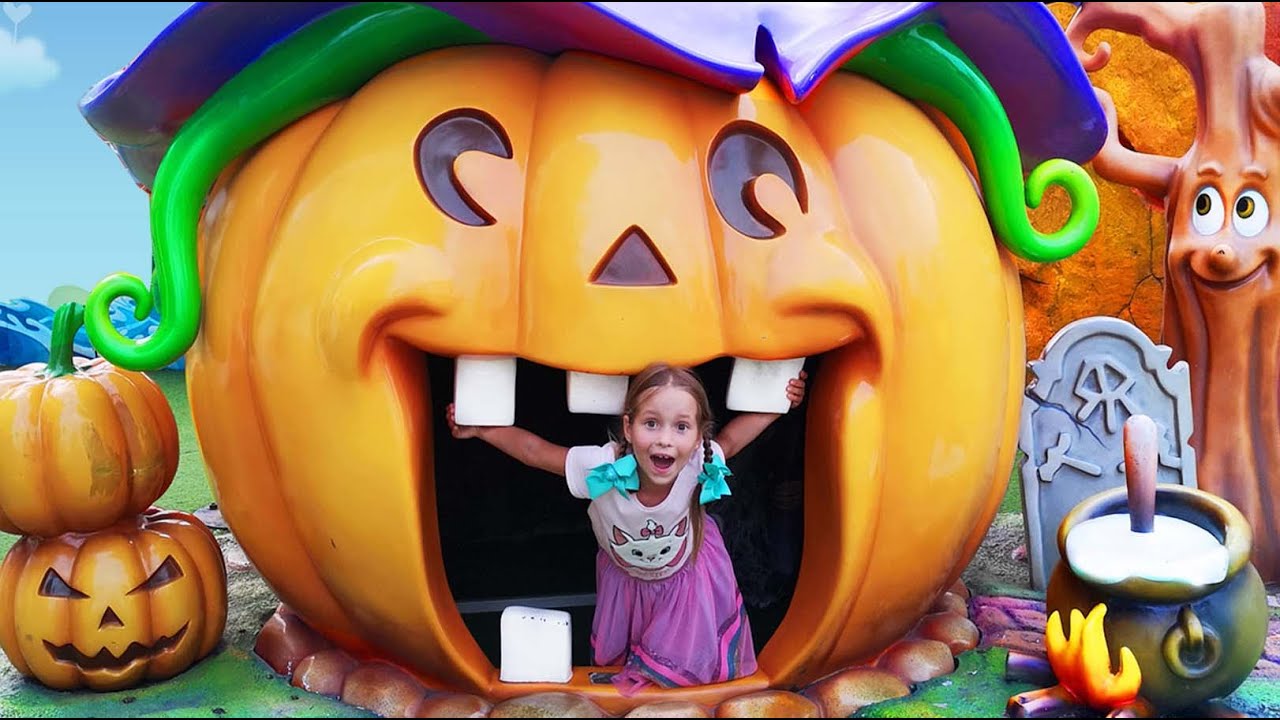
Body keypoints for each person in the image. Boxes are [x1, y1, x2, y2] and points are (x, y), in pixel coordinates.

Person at [446, 362, 806, 694]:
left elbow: (732, 439)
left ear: (698, 438)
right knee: (627, 674)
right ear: (628, 427)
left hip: (688, 584)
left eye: (681, 427)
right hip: (628, 585)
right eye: (652, 423)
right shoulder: (600, 469)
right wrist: (481, 428)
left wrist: (779, 402)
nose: (665, 438)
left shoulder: (699, 462)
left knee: (680, 675)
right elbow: (534, 451)